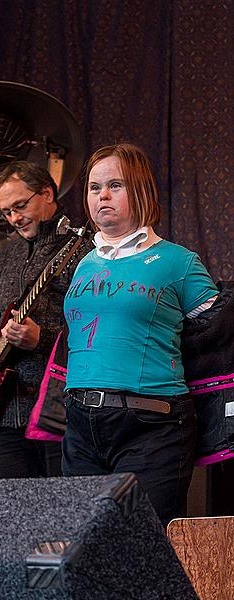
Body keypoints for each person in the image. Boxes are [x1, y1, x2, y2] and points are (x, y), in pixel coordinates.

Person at [62, 143, 218, 527]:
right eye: (94, 187)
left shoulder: (178, 262)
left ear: (142, 190)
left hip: (151, 425)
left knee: (144, 548)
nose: (102, 195)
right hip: (82, 425)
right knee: (83, 549)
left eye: (115, 184)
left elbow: (217, 339)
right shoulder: (82, 262)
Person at [0, 161, 91, 478]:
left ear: (47, 193)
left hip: (61, 410)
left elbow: (96, 332)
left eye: (20, 205)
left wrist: (42, 338)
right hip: (7, 412)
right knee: (15, 514)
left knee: (63, 511)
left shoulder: (83, 249)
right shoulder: (5, 254)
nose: (14, 218)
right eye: (7, 212)